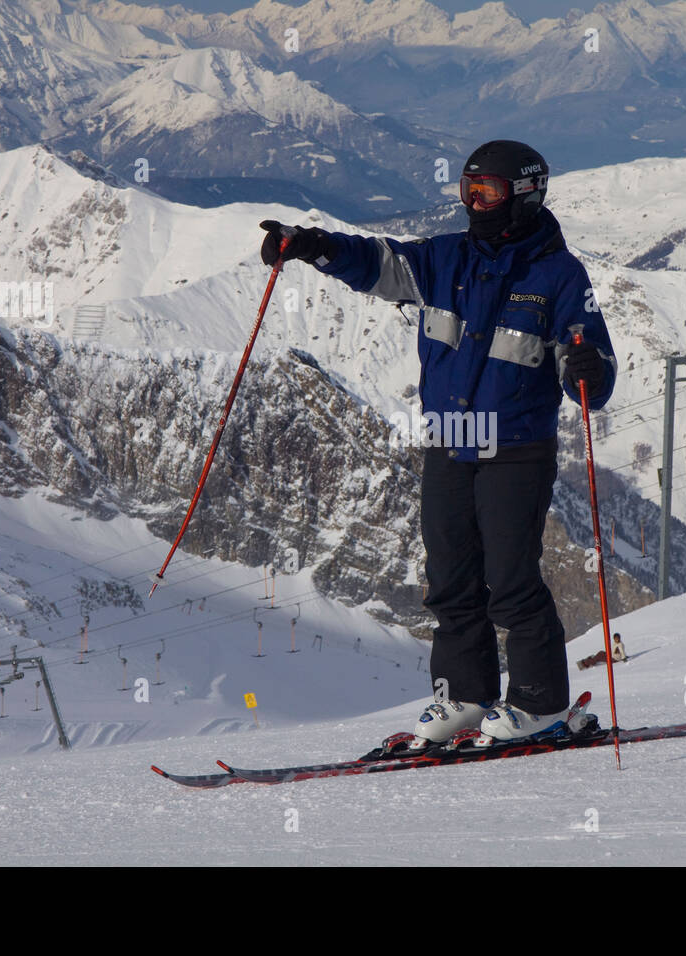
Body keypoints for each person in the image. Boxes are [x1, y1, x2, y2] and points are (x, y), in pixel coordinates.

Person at [259, 140, 616, 745]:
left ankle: (542, 704)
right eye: (467, 191)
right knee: (450, 581)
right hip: (449, 444)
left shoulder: (559, 275)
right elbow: (373, 262)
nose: (475, 204)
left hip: (516, 449)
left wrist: (584, 367)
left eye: (489, 193)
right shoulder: (442, 260)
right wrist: (314, 246)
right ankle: (468, 699)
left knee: (510, 581)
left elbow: (591, 370)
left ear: (526, 194)